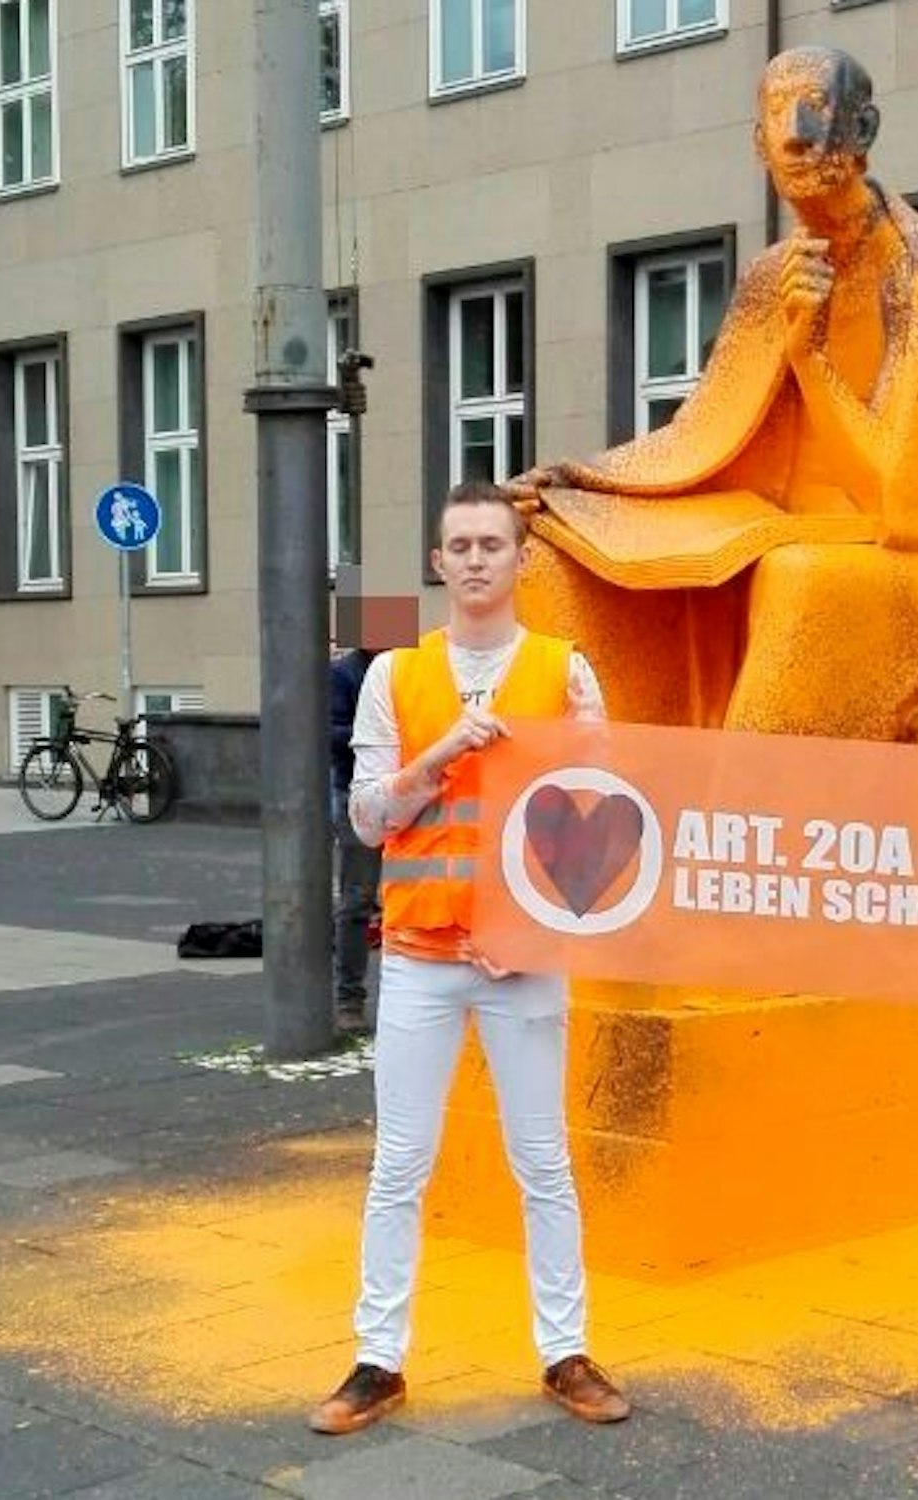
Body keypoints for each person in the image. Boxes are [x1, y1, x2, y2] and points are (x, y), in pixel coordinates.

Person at [508, 45, 918, 742]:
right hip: (771, 534)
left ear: (863, 129)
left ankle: (732, 814)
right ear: (758, 143)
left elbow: (905, 505)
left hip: (890, 570)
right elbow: (700, 435)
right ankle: (615, 799)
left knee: (794, 577)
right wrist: (575, 483)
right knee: (546, 556)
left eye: (814, 109)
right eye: (776, 117)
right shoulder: (769, 277)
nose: (794, 134)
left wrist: (808, 359)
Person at [310, 482, 629, 1435]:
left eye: (495, 543)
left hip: (523, 959)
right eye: (462, 544)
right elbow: (370, 818)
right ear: (440, 563)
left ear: (521, 561)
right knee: (400, 1163)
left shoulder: (567, 672)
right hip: (418, 952)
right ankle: (378, 1360)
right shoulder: (393, 677)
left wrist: (534, 931)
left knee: (542, 1161)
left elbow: (604, 825)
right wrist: (438, 752)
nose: (479, 558)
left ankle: (565, 1351)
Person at [330, 644, 384, 1034]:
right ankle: (349, 999)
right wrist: (377, 730)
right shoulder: (344, 673)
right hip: (358, 795)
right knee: (358, 899)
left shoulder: (404, 667)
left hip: (410, 792)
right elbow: (329, 735)